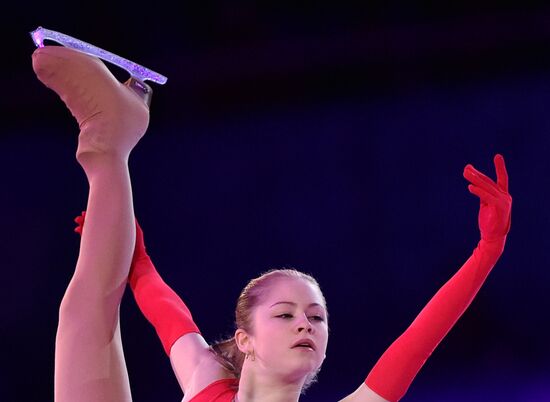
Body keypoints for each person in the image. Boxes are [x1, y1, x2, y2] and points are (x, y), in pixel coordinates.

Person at [33, 45, 512, 402]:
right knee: (85, 309)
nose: (305, 324)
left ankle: (114, 139)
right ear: (246, 341)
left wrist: (487, 250)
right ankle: (109, 141)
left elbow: (416, 341)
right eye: (287, 315)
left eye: (315, 318)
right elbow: (164, 308)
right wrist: (126, 252)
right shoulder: (206, 379)